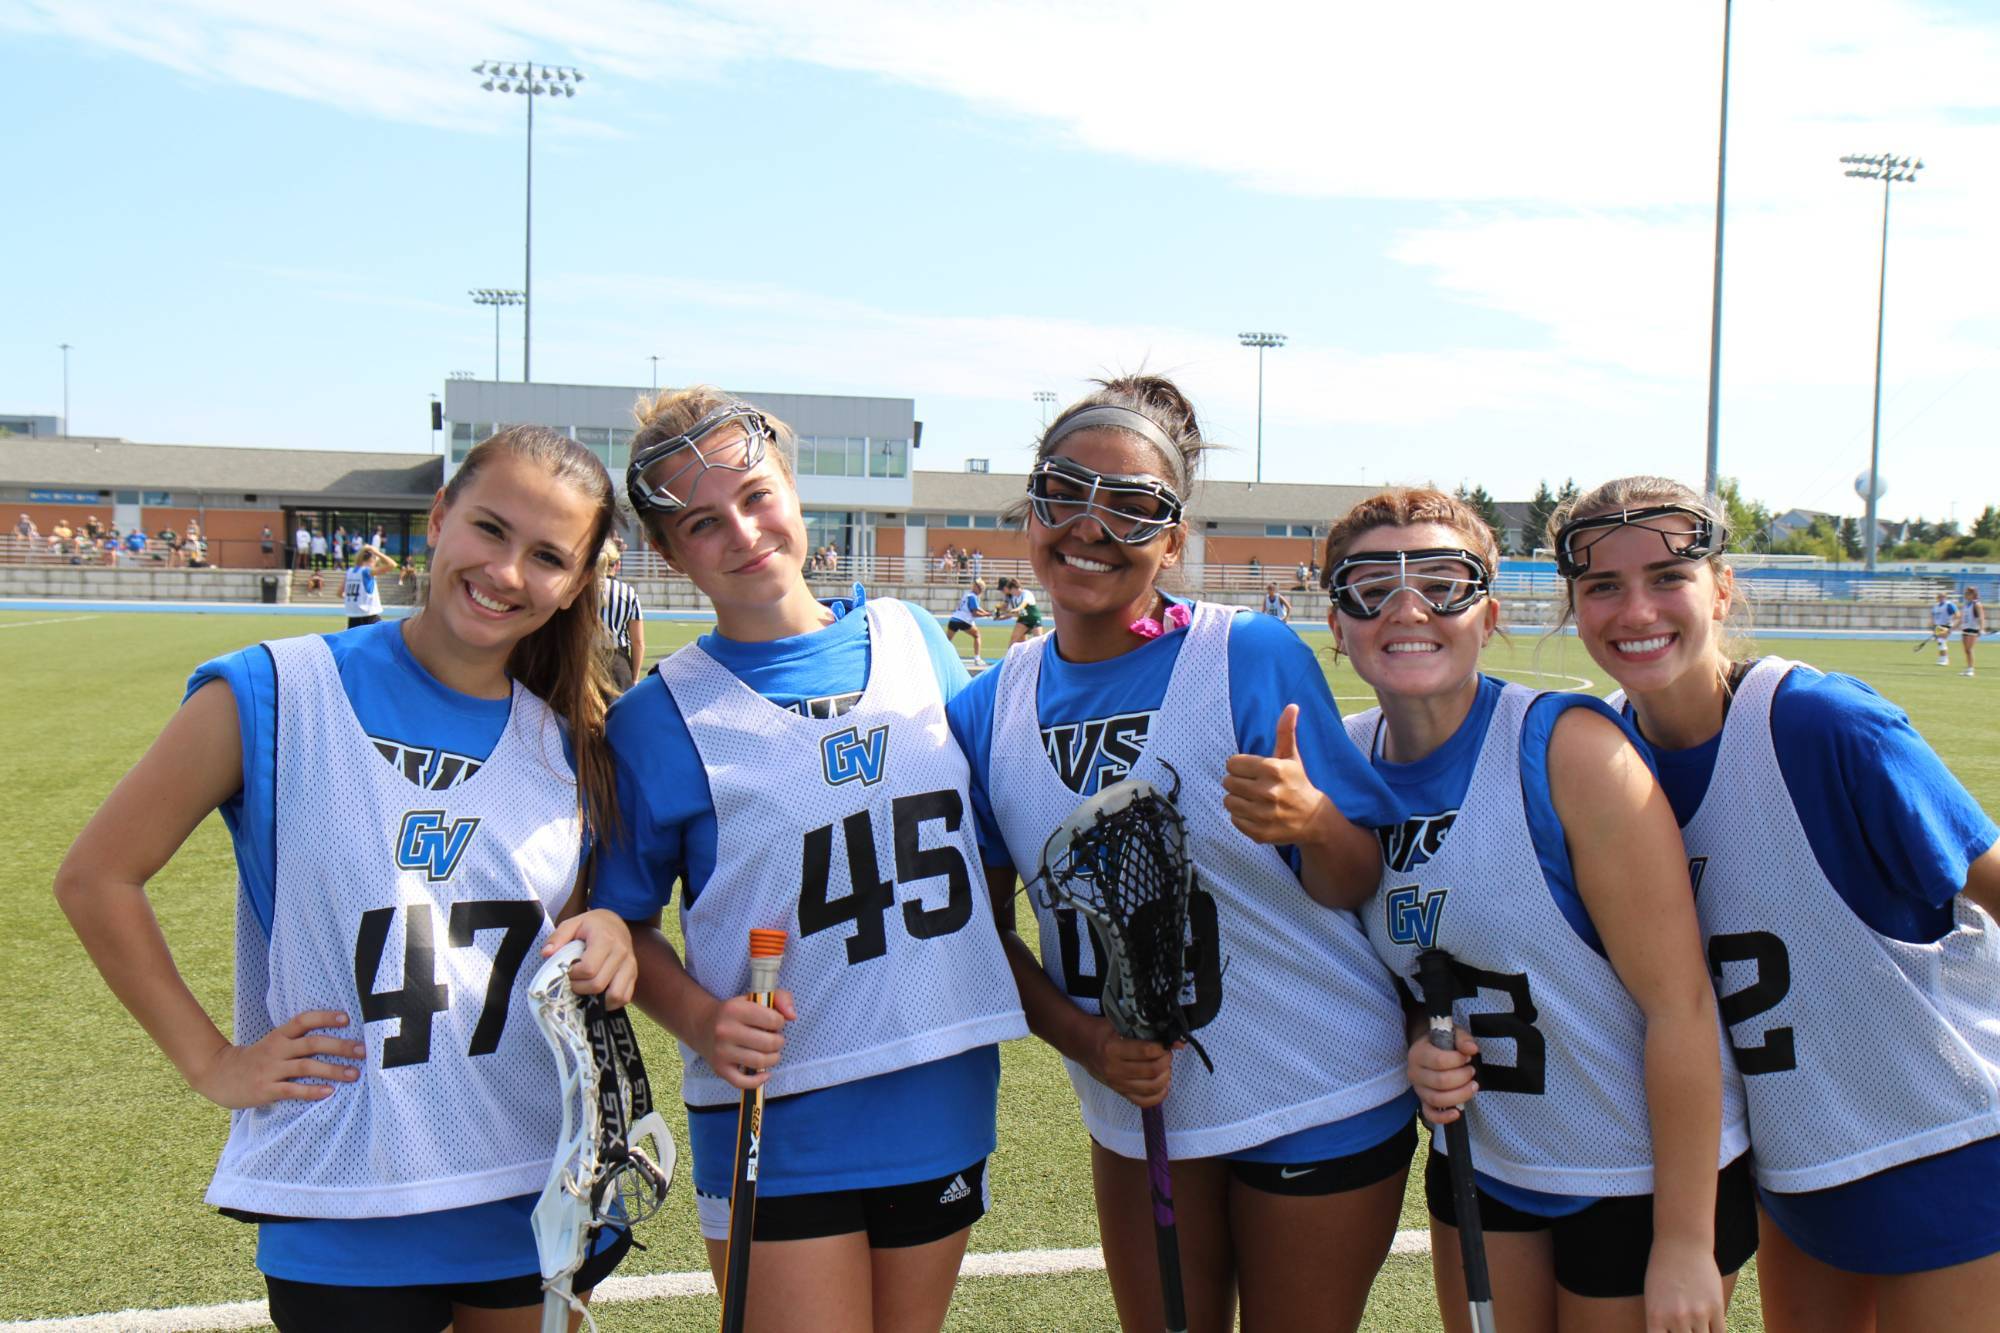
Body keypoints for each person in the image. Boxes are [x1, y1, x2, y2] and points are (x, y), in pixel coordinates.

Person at [53, 425, 640, 1333]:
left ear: (574, 584)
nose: (508, 572)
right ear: (439, 518)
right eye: (489, 529)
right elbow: (97, 877)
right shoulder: (273, 690)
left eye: (547, 556)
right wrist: (211, 1061)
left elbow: (577, 929)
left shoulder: (568, 744)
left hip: (525, 1178)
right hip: (342, 1185)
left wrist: (606, 928)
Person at [947, 377, 1415, 1333]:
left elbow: (1356, 874)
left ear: (1173, 540)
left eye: (1133, 508)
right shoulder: (985, 705)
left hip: (1314, 1084)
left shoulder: (1249, 655)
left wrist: (1314, 821)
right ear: (1030, 509)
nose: (1090, 526)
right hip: (1134, 1102)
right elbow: (981, 930)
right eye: (1064, 491)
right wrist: (1090, 1044)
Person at [597, 387, 1026, 1333]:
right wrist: (704, 1019)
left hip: (937, 1085)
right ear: (669, 554)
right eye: (703, 523)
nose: (744, 532)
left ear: (791, 488)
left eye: (756, 495)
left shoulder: (916, 641)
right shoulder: (655, 719)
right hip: (776, 1112)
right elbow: (623, 923)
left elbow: (996, 827)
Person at [1546, 476, 2000, 1333]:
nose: (1635, 608)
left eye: (1667, 577)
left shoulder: (1824, 724)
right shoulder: (1594, 758)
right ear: (1574, 605)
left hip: (1943, 1144)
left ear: (1722, 587)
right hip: (1797, 1170)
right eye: (1603, 585)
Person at [1305, 487, 1751, 1333]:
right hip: (1488, 1161)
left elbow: (1680, 1004)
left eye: (1443, 582)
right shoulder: (1342, 764)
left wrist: (1686, 1239)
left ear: (1489, 614)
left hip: (1634, 1173)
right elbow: (1391, 968)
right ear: (1337, 621)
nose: (1409, 608)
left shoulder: (1570, 750)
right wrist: (1416, 1046)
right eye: (1372, 586)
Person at [596, 540, 645, 692]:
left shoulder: (580, 591)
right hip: (618, 665)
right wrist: (635, 677)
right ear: (617, 565)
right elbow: (638, 643)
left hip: (585, 661)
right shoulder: (628, 593)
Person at [341, 546, 392, 628]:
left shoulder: (349, 572)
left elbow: (339, 593)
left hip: (353, 617)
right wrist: (376, 552)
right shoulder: (366, 572)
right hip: (369, 615)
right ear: (372, 559)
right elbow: (392, 565)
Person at [946, 578, 987, 667]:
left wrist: (987, 613)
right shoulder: (973, 597)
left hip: (954, 619)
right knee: (977, 635)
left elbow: (978, 608)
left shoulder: (968, 595)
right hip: (964, 620)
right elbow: (975, 613)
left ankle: (942, 656)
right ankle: (977, 658)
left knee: (947, 640)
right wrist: (986, 615)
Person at [1962, 586, 1986, 677]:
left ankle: (1971, 670)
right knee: (1966, 650)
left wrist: (1981, 628)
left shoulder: (1977, 604)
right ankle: (1968, 668)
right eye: (1966, 593)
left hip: (1973, 629)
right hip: (1965, 628)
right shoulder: (1966, 604)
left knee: (1970, 649)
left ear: (1973, 594)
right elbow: (1962, 618)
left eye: (1968, 593)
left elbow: (1981, 617)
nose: (1966, 595)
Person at [1931, 591, 1959, 666]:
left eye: (1943, 596)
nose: (1941, 598)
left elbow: (1957, 614)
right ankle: (1941, 658)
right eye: (1939, 597)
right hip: (1938, 626)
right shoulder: (1935, 606)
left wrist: (1952, 625)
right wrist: (1933, 628)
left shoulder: (1949, 605)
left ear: (1945, 597)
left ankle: (1944, 659)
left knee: (1941, 641)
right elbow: (1933, 617)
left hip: (1946, 625)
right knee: (1940, 643)